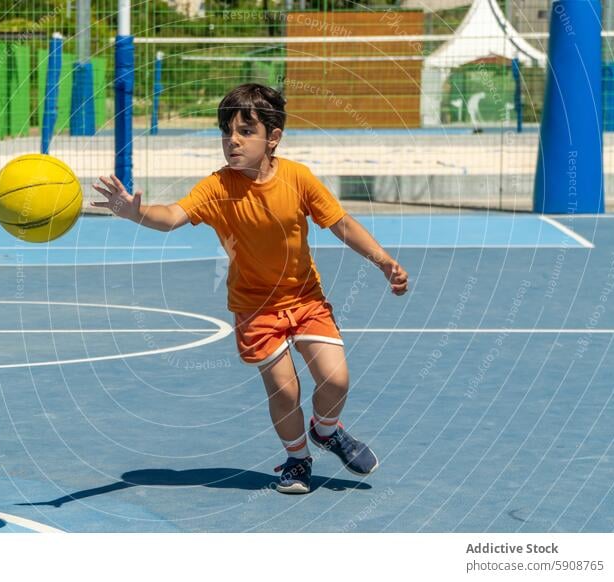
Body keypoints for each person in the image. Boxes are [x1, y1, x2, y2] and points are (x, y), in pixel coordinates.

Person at [91, 83, 409, 494]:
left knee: (336, 380)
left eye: (245, 131)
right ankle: (297, 460)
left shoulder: (298, 178)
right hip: (256, 309)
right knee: (284, 388)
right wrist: (134, 213)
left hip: (304, 297)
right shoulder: (218, 188)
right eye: (227, 132)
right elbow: (170, 216)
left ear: (272, 138)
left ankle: (327, 430)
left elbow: (341, 224)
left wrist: (383, 261)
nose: (232, 141)